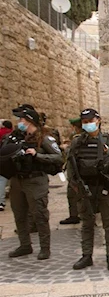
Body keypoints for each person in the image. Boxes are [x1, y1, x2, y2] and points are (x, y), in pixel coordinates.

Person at [68, 109, 109, 271]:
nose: (87, 124)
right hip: (85, 188)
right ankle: (87, 256)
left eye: (90, 121)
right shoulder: (77, 142)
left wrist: (108, 157)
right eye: (84, 122)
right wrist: (75, 186)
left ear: (98, 120)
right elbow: (70, 166)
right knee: (87, 223)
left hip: (105, 188)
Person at [4, 104, 62, 260]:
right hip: (18, 180)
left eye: (22, 119)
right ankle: (25, 245)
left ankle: (45, 248)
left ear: (30, 121)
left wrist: (37, 155)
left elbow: (58, 157)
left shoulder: (44, 138)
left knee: (40, 215)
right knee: (19, 214)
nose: (19, 122)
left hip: (36, 181)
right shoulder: (16, 137)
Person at [59, 117, 83, 225]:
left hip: (76, 172)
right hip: (76, 170)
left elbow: (73, 152)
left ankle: (75, 215)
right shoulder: (77, 136)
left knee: (73, 194)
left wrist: (66, 148)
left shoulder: (78, 137)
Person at [0, 120, 13, 211]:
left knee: (2, 180)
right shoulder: (14, 133)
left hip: (3, 160)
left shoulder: (2, 133)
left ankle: (1, 201)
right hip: (11, 160)